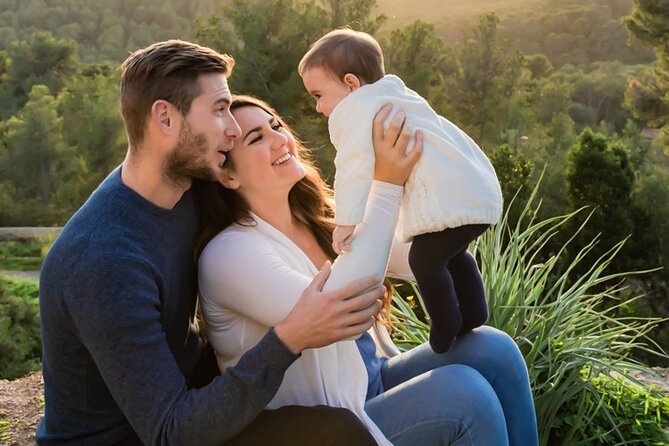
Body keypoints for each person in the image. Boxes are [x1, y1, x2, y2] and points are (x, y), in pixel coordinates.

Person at [37, 39, 394, 446]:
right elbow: (171, 433)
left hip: (193, 400)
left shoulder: (183, 189)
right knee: (335, 433)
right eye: (220, 110)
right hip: (138, 438)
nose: (234, 129)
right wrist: (289, 337)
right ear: (165, 119)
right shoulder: (103, 261)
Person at [196, 95, 539, 445]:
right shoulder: (229, 253)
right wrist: (385, 184)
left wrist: (425, 153)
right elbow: (338, 309)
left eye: (276, 125)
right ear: (228, 176)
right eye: (257, 138)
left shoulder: (319, 220)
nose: (280, 139)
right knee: (466, 396)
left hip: (372, 382)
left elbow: (415, 256)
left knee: (495, 350)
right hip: (333, 427)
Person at [298, 28, 504, 354]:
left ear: (351, 84)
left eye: (318, 95)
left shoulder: (354, 111)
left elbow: (353, 168)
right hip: (474, 192)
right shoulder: (396, 93)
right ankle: (474, 312)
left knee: (424, 259)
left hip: (448, 200)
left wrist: (347, 221)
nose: (319, 108)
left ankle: (446, 322)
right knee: (448, 254)